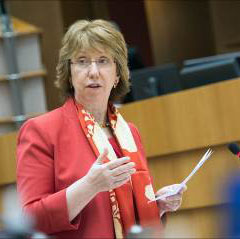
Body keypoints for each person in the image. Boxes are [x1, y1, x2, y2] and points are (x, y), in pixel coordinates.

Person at [17, 19, 186, 239]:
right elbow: (30, 220)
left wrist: (157, 206)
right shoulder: (41, 130)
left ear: (117, 75)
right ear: (70, 73)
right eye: (82, 61)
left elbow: (128, 214)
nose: (93, 71)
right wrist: (90, 185)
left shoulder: (129, 132)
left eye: (103, 61)